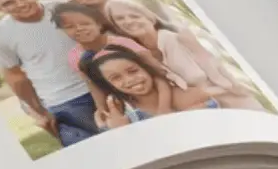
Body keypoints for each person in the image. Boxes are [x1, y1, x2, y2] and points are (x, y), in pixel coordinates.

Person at [0, 0, 99, 147]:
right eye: (9, 3)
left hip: (102, 83)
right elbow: (15, 77)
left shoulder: (64, 8)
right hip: (65, 101)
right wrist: (39, 111)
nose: (20, 4)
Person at [103, 0, 265, 111]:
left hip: (236, 105)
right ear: (116, 26)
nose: (129, 21)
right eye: (120, 19)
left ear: (150, 17)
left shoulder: (178, 39)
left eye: (134, 15)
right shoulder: (140, 56)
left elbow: (222, 76)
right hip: (204, 114)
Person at [51, 0, 153, 126]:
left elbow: (155, 69)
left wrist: (165, 103)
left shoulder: (122, 43)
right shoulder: (75, 56)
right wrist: (103, 110)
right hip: (124, 105)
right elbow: (93, 86)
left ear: (98, 24)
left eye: (85, 23)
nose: (79, 29)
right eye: (70, 27)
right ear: (62, 31)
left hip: (150, 95)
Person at [82, 48, 219, 126]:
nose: (129, 80)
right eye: (116, 78)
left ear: (145, 68)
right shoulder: (125, 113)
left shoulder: (187, 95)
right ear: (109, 85)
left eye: (133, 71)